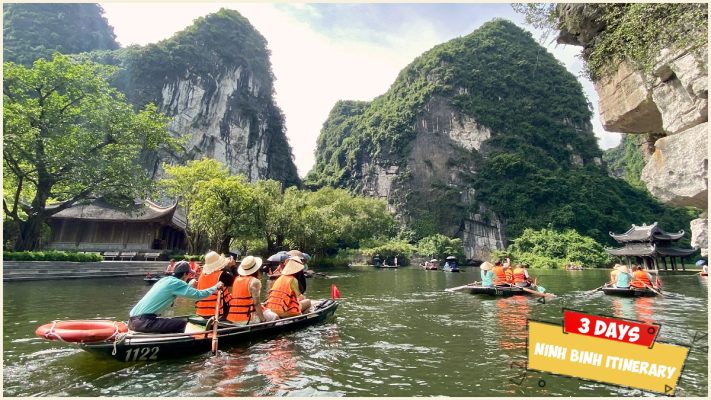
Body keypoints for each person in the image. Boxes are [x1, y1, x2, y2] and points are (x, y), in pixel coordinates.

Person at [129, 262, 224, 333]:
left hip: (132, 321)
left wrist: (189, 285)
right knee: (182, 324)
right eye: (189, 274)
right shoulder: (177, 283)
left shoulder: (165, 280)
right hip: (144, 322)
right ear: (185, 274)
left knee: (173, 322)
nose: (189, 276)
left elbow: (175, 292)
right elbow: (199, 295)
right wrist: (216, 286)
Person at [226, 255, 278, 325]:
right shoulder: (254, 281)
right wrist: (263, 320)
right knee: (275, 316)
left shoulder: (236, 279)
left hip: (233, 317)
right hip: (248, 318)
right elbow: (256, 303)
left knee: (267, 311)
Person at [195, 251, 235, 320]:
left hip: (202, 312)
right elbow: (237, 282)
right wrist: (233, 267)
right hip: (218, 313)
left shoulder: (202, 275)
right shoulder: (222, 275)